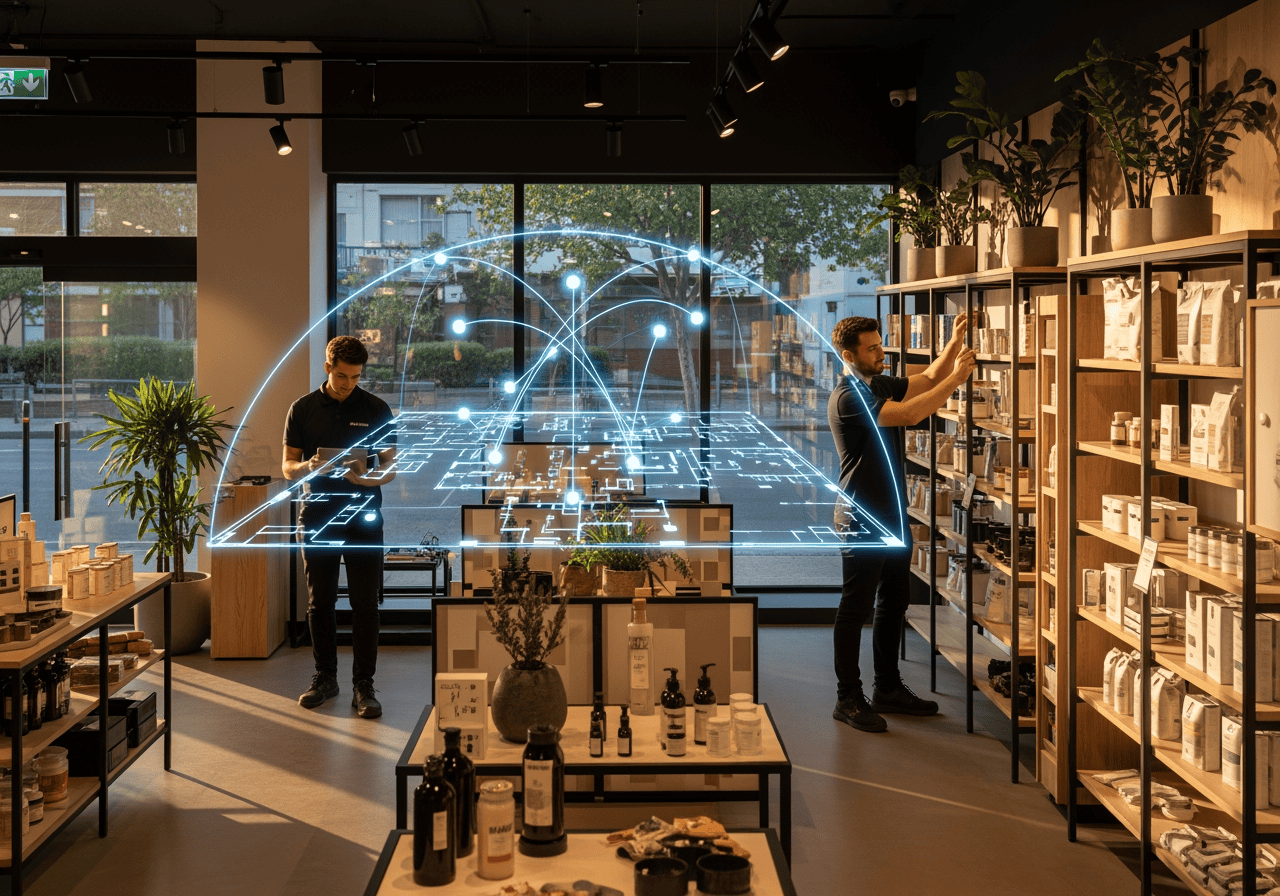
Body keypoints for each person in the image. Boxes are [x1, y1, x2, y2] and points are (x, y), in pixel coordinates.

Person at [828, 313, 976, 732]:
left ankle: (887, 687)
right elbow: (911, 414)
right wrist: (957, 380)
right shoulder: (849, 396)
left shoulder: (877, 383)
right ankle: (847, 698)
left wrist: (952, 344)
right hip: (861, 516)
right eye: (872, 348)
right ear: (849, 355)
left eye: (881, 344)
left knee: (893, 600)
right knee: (854, 608)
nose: (882, 353)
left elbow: (926, 380)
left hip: (891, 516)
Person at [283, 335, 398, 719]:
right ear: (328, 367)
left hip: (364, 516)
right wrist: (308, 468)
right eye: (343, 376)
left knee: (366, 604)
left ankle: (364, 686)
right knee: (321, 602)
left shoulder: (377, 408)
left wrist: (369, 478)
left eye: (356, 377)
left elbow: (392, 466)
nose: (349, 384)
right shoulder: (301, 409)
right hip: (317, 515)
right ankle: (325, 678)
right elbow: (288, 468)